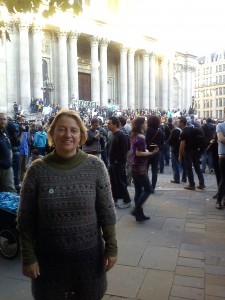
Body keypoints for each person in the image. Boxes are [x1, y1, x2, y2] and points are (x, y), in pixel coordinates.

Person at [17, 109, 117, 300]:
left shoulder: (96, 167)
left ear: (81, 136)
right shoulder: (36, 171)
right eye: (61, 129)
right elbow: (25, 219)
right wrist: (28, 257)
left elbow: (107, 212)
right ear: (52, 134)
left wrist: (112, 248)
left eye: (74, 130)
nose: (68, 135)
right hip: (48, 262)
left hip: (89, 260)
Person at [130, 117, 159, 222]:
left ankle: (139, 215)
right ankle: (136, 209)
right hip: (140, 166)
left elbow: (136, 151)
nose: (146, 124)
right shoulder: (141, 137)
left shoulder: (135, 135)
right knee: (148, 189)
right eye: (145, 122)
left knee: (138, 191)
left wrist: (146, 150)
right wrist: (151, 153)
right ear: (141, 124)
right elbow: (138, 153)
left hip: (134, 166)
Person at [108, 116, 132, 208]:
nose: (108, 125)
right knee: (113, 182)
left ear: (115, 124)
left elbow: (124, 150)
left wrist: (118, 161)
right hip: (113, 163)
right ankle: (115, 200)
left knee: (120, 182)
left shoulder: (121, 135)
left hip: (118, 164)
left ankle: (127, 200)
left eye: (110, 123)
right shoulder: (113, 134)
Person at [178, 116, 205, 190]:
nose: (177, 123)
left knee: (189, 168)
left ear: (182, 123)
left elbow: (182, 145)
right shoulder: (192, 129)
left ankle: (191, 184)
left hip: (188, 152)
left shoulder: (183, 132)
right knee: (197, 167)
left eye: (179, 122)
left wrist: (180, 155)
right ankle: (202, 183)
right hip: (195, 150)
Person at [145, 115, 164, 193]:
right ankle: (153, 187)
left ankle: (146, 187)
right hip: (156, 152)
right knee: (154, 171)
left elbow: (145, 141)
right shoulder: (160, 131)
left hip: (148, 152)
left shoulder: (148, 130)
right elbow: (162, 143)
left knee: (145, 170)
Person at [0, 113, 17, 193]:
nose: (2, 121)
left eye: (4, 119)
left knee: (11, 193)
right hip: (2, 167)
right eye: (0, 119)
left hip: (7, 168)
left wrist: (10, 159)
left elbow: (9, 147)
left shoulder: (5, 133)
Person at [215, 119, 225, 209]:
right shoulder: (220, 125)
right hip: (223, 156)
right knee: (224, 179)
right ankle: (219, 200)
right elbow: (221, 139)